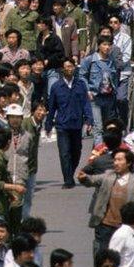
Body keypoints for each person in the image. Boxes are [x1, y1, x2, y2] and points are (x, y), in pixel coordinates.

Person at [76, 149, 134, 255]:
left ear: (129, 163)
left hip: (126, 228)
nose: (115, 163)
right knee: (103, 258)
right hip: (105, 226)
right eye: (115, 160)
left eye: (119, 160)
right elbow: (93, 180)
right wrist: (84, 178)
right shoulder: (108, 176)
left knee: (125, 259)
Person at [46, 58, 93, 188]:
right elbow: (52, 107)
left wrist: (89, 119)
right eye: (66, 67)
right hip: (62, 125)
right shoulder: (56, 87)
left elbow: (86, 103)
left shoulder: (81, 85)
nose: (69, 69)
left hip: (77, 124)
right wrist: (48, 124)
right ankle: (68, 180)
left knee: (76, 152)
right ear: (62, 70)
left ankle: (70, 173)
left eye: (71, 66)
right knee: (64, 153)